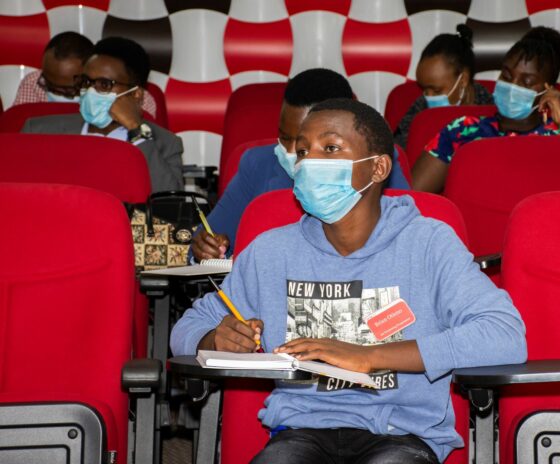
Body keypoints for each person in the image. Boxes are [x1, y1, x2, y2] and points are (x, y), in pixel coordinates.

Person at [171, 98, 527, 463]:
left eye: (330, 148)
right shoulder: (270, 251)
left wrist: (368, 357)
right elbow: (186, 328)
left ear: (377, 168)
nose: (310, 162)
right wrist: (216, 337)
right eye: (303, 151)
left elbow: (504, 335)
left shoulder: (429, 243)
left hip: (401, 435)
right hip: (300, 432)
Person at [191, 68, 410, 262]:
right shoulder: (258, 165)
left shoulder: (372, 165)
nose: (294, 153)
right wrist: (206, 248)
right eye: (286, 138)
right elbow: (204, 240)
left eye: (311, 144)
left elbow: (405, 246)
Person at [412, 26, 560, 193]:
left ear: (548, 90)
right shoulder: (462, 129)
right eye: (506, 75)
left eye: (526, 82)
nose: (512, 86)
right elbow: (410, 196)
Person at [22, 37, 182, 193]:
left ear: (136, 95)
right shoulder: (38, 131)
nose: (91, 91)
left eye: (104, 84)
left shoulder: (166, 143)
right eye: (86, 82)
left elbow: (170, 208)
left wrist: (136, 130)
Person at [393, 24, 492, 149]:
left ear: (463, 80)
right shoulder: (420, 107)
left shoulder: (491, 113)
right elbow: (397, 152)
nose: (429, 97)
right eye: (424, 89)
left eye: (436, 90)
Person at [13, 32, 158, 116]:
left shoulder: (137, 98)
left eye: (69, 90)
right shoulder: (33, 82)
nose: (57, 93)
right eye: (50, 86)